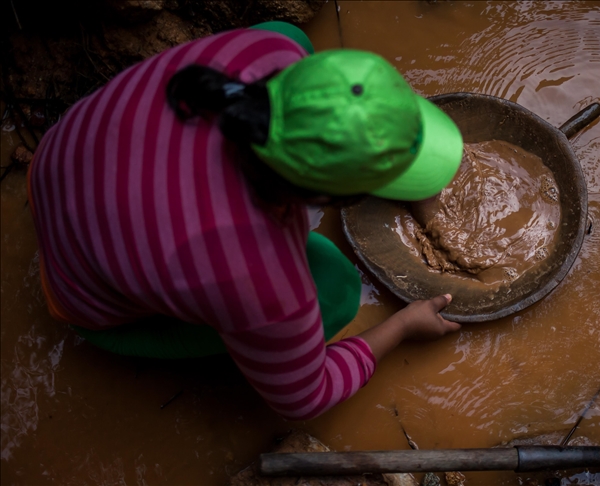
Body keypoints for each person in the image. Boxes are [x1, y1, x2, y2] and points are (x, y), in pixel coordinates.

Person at [27, 22, 465, 420]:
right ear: (332, 198)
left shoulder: (266, 50)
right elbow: (305, 400)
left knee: (294, 35)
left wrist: (411, 184)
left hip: (56, 172)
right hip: (80, 302)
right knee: (337, 289)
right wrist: (403, 326)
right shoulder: (256, 275)